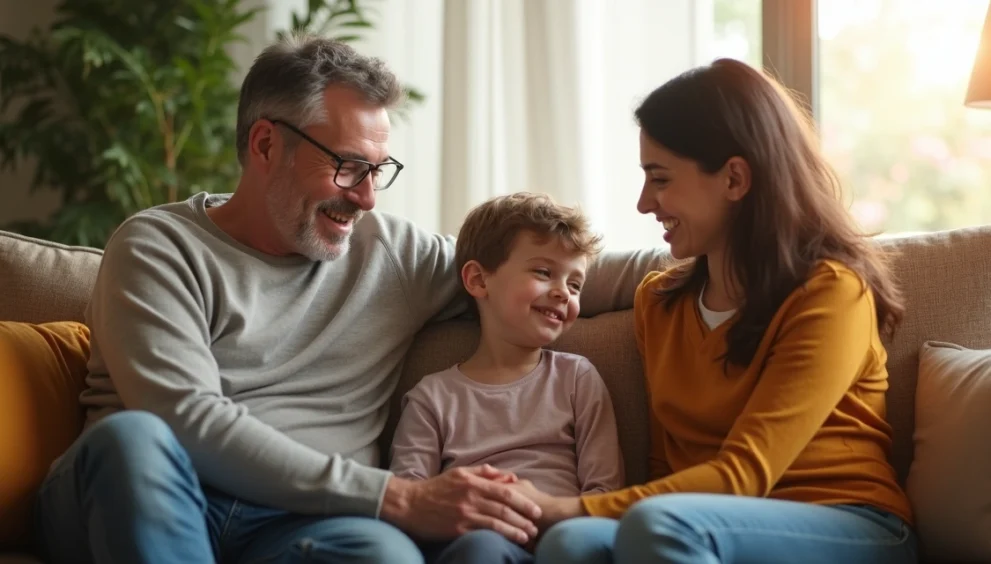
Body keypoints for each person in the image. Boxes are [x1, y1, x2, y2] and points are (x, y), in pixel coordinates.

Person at [31, 35, 667, 564]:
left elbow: (543, 271)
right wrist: (399, 497)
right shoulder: (158, 247)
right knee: (135, 439)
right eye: (347, 166)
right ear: (264, 145)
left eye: (378, 169)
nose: (366, 198)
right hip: (147, 495)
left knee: (384, 556)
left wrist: (722, 261)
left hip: (295, 525)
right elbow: (185, 419)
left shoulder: (388, 253)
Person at [511, 58, 919, 564]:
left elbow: (745, 473)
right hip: (697, 523)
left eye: (659, 179)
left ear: (734, 179)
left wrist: (565, 506)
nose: (644, 203)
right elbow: (666, 466)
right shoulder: (658, 303)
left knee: (648, 524)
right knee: (571, 545)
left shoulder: (831, 292)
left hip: (853, 525)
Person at [389, 192, 626, 564]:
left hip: (563, 538)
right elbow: (412, 499)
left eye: (576, 284)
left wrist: (551, 515)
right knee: (480, 549)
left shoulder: (577, 377)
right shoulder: (432, 397)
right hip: (479, 541)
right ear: (479, 280)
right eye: (544, 272)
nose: (563, 291)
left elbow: (605, 492)